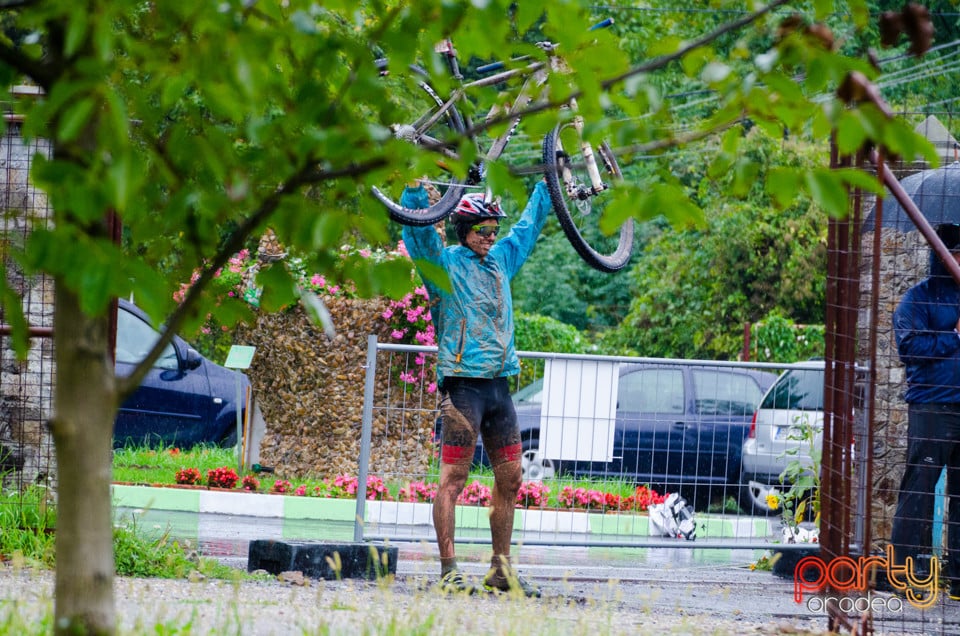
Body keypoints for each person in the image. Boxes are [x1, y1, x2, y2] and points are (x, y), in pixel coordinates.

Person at [399, 179, 551, 597]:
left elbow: (527, 229)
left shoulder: (502, 259)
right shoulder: (444, 265)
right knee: (453, 480)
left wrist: (547, 185)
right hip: (463, 387)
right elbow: (416, 232)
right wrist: (414, 189)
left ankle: (501, 570)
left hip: (499, 386)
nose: (490, 237)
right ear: (464, 229)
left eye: (492, 231)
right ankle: (449, 570)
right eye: (482, 231)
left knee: (512, 478)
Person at [891, 221, 960, 600]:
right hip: (933, 406)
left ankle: (958, 577)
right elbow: (909, 347)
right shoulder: (917, 299)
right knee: (920, 487)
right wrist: (954, 337)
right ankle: (903, 570)